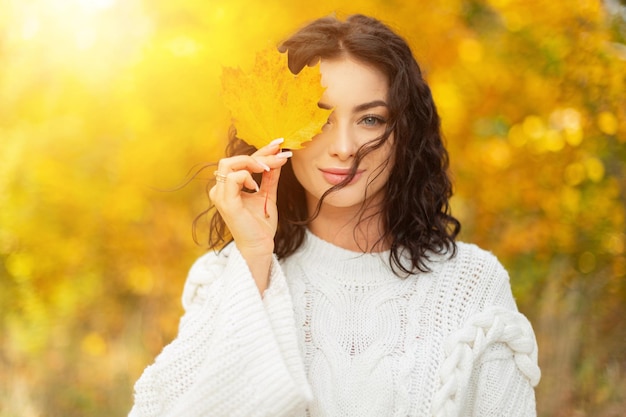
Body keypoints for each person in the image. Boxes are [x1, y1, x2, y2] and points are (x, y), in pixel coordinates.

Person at [129, 13, 540, 417]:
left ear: (404, 133)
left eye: (371, 119)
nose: (344, 146)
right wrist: (254, 256)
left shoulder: (471, 286)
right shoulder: (226, 276)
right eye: (321, 119)